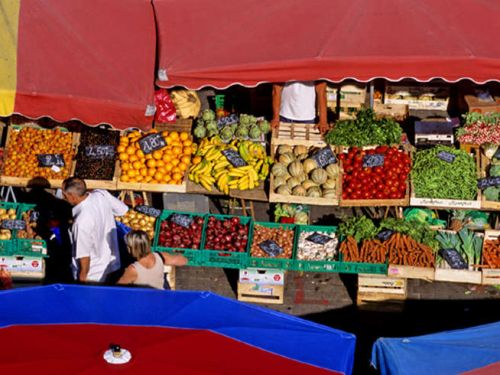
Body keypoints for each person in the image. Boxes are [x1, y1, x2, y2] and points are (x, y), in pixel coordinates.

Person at [62, 177, 128, 284]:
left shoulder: (81, 223)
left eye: (64, 195)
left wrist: (82, 278)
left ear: (72, 197)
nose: (63, 197)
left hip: (93, 274)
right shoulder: (101, 194)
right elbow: (122, 210)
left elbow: (84, 256)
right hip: (110, 263)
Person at [117, 230, 187, 290]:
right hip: (162, 296)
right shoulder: (160, 256)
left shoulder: (133, 269)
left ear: (130, 249)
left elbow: (117, 290)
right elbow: (183, 260)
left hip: (145, 301)